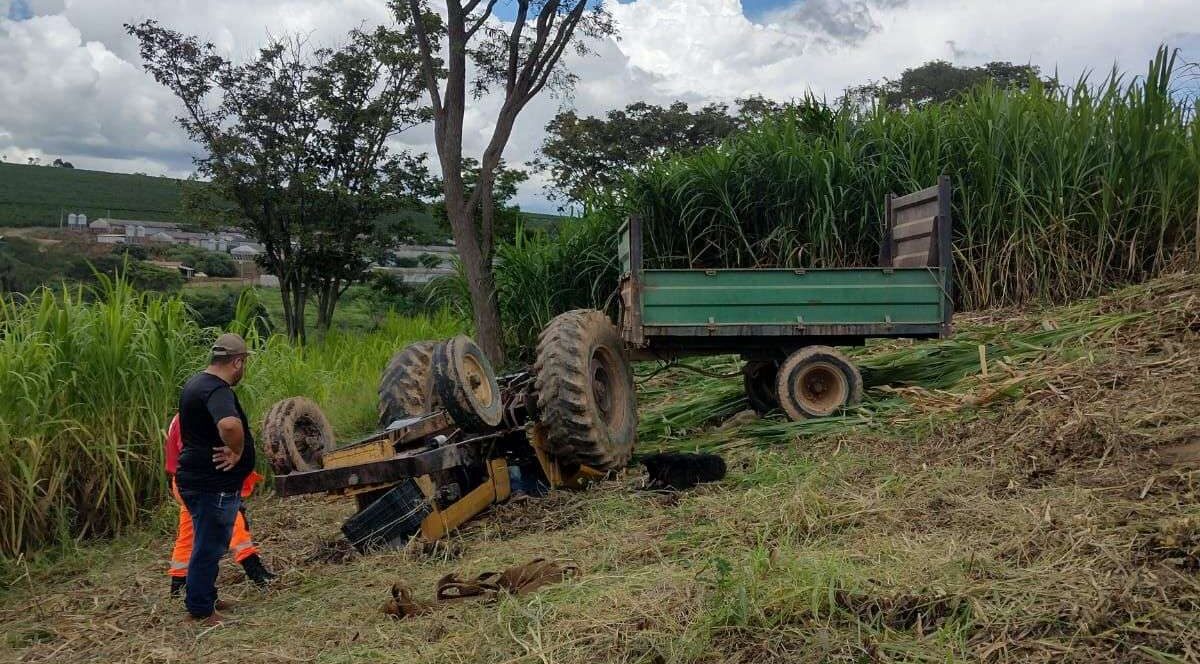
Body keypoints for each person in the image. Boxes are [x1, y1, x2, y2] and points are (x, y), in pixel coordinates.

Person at [175, 332, 259, 626]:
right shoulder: (217, 390)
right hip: (212, 484)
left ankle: (205, 596)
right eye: (243, 363)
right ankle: (200, 609)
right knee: (209, 547)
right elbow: (229, 425)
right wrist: (236, 452)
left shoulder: (196, 383)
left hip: (194, 479)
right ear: (237, 362)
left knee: (205, 541)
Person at [164, 413, 276, 596]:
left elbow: (175, 458)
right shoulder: (208, 414)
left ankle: (178, 585)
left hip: (183, 482)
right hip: (203, 480)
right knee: (232, 518)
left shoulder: (179, 418)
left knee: (188, 531)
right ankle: (256, 573)